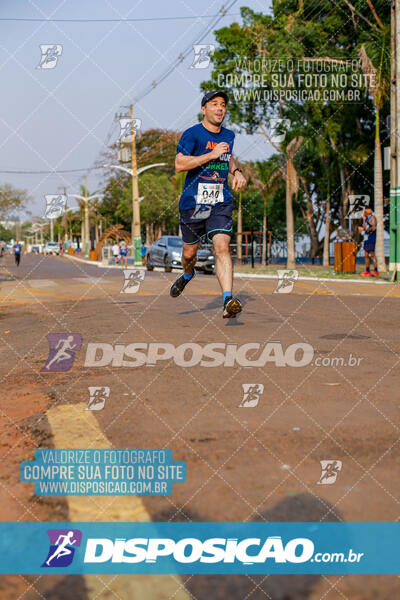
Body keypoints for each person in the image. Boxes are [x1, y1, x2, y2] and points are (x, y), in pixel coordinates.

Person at [170, 90, 247, 318]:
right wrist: (210, 155)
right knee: (188, 255)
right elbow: (179, 164)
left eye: (222, 104)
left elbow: (227, 155)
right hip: (193, 203)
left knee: (221, 247)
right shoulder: (192, 134)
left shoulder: (229, 135)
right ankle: (187, 275)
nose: (220, 108)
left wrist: (236, 172)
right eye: (214, 104)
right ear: (204, 109)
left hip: (220, 201)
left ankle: (227, 300)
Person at [359, 208, 378, 277]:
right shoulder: (367, 219)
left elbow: (373, 228)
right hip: (367, 238)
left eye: (364, 212)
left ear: (367, 213)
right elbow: (365, 227)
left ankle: (376, 271)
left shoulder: (372, 218)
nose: (363, 213)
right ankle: (367, 271)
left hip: (371, 238)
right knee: (366, 255)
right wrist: (363, 220)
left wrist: (366, 230)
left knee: (372, 255)